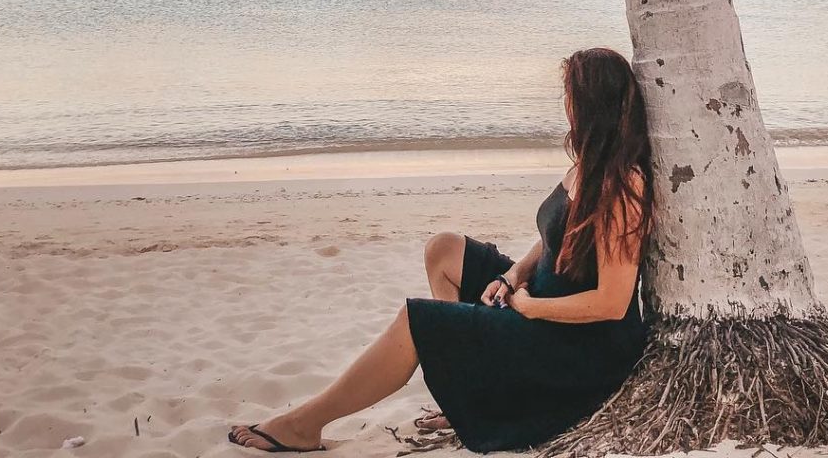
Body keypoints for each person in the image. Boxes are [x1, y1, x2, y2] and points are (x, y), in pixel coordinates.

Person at [229, 47, 654, 453]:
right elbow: (554, 238)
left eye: (571, 95)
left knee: (417, 320)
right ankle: (467, 383)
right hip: (539, 299)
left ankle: (305, 425)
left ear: (591, 103)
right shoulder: (586, 161)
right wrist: (513, 276)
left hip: (574, 345)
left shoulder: (623, 184)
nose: (565, 104)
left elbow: (612, 303)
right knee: (444, 250)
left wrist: (529, 308)